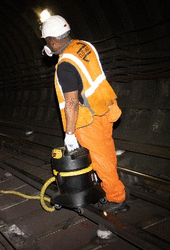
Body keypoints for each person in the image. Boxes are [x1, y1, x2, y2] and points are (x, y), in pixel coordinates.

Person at [41, 15, 128, 214]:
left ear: (53, 41)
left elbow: (71, 102)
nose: (47, 45)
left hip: (88, 120)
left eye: (47, 41)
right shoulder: (83, 46)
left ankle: (117, 198)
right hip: (104, 108)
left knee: (101, 160)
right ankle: (104, 186)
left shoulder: (64, 65)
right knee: (106, 154)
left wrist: (69, 134)